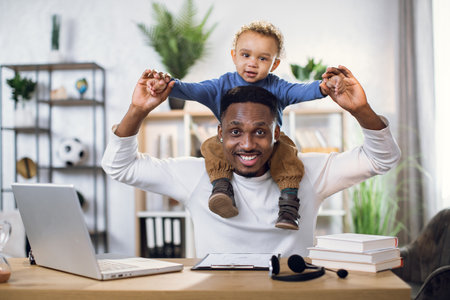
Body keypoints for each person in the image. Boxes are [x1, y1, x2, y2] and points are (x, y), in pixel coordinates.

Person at [102, 65, 401, 258]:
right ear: (220, 133)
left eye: (260, 131)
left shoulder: (310, 171)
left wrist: (361, 109)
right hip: (220, 291)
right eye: (235, 132)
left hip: (292, 290)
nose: (247, 144)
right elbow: (119, 166)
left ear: (277, 133)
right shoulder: (194, 174)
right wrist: (137, 110)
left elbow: (382, 158)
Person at [147, 21, 343, 231]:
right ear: (234, 56)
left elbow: (300, 91)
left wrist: (323, 87)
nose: (252, 63)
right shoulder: (220, 86)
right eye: (246, 55)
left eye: (262, 58)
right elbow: (191, 90)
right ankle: (222, 189)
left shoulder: (277, 86)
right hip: (231, 150)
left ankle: (288, 205)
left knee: (288, 152)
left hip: (269, 148)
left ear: (274, 64)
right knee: (212, 146)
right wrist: (167, 84)